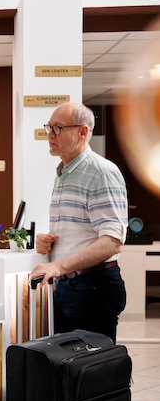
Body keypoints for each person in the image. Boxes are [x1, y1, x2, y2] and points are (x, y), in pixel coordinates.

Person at [29, 102, 128, 344]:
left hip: (92, 286)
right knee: (68, 371)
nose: (50, 135)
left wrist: (58, 266)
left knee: (91, 373)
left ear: (83, 132)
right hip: (70, 287)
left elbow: (112, 242)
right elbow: (80, 231)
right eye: (49, 128)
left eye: (58, 128)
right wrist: (48, 241)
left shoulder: (101, 172)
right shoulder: (64, 172)